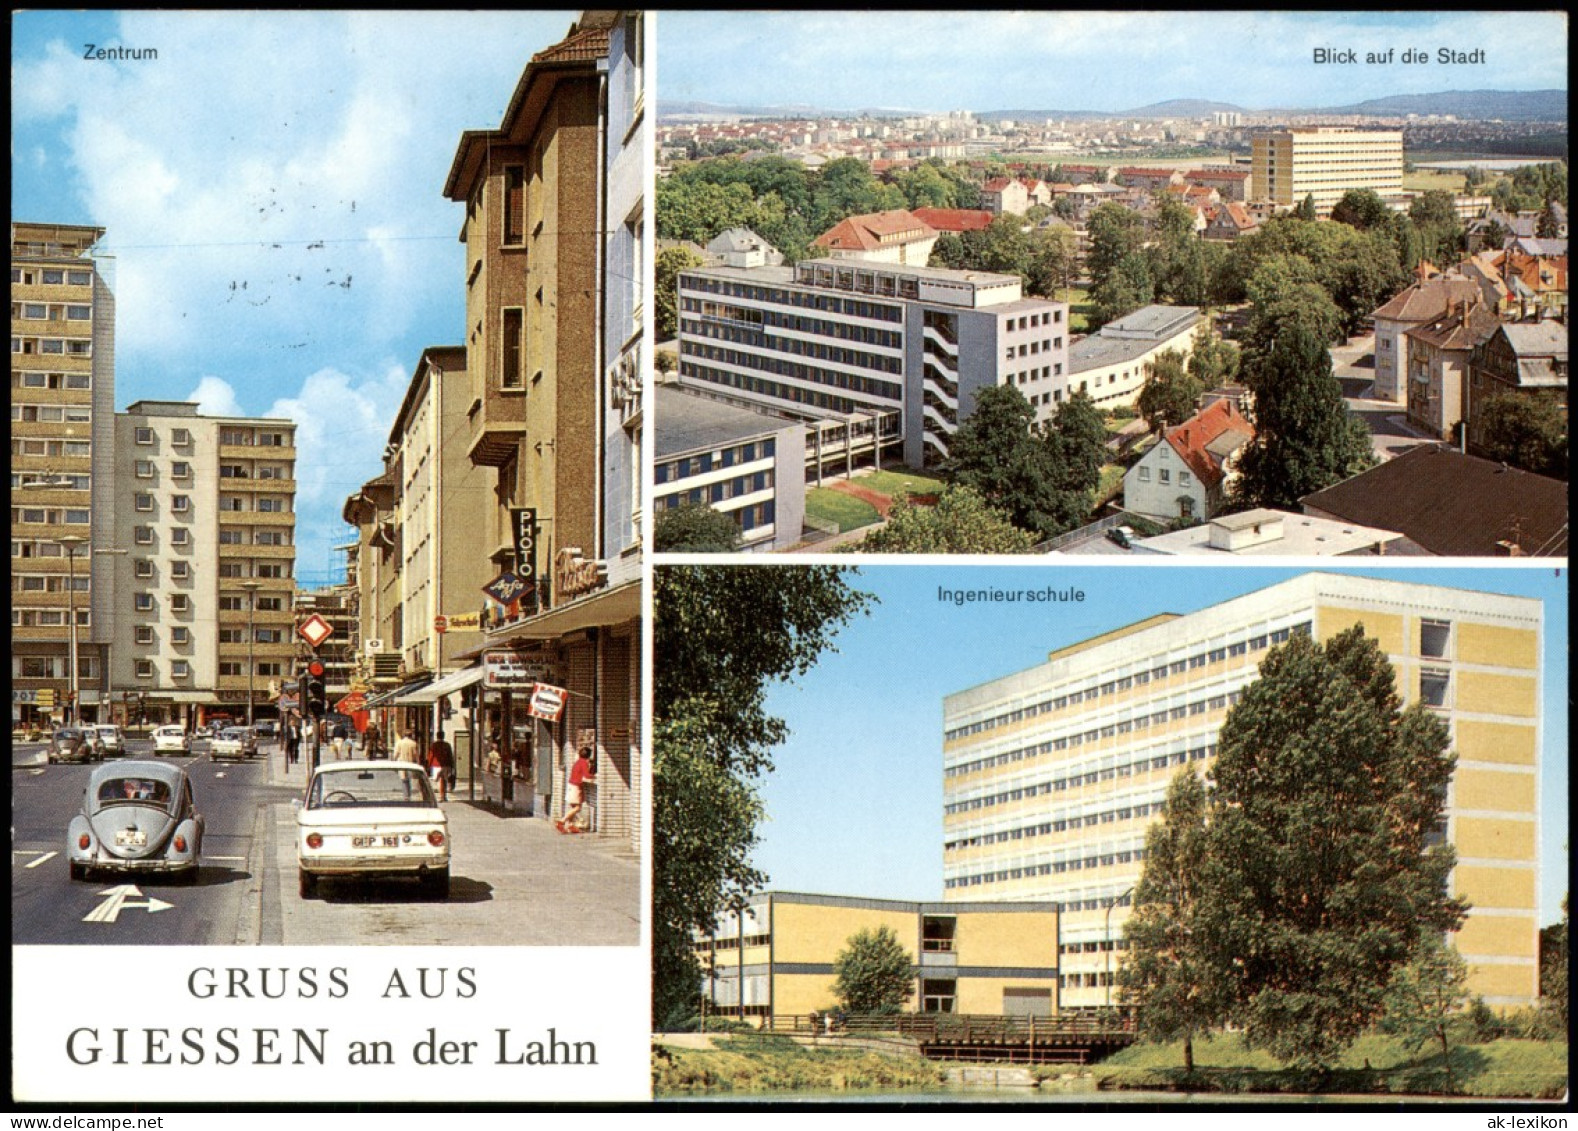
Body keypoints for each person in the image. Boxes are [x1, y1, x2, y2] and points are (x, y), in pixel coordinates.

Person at [557, 746, 596, 834]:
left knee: (573, 807)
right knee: (578, 808)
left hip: (571, 785)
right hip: (576, 786)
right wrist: (594, 776)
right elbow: (586, 775)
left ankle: (570, 825)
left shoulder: (577, 762)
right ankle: (562, 821)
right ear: (588, 756)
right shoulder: (584, 763)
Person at [427, 736, 455, 802]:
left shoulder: (434, 745)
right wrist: (452, 765)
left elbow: (431, 755)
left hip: (436, 765)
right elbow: (450, 755)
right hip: (446, 764)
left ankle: (440, 796)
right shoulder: (447, 745)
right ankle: (443, 796)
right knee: (444, 780)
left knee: (437, 780)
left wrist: (429, 764)